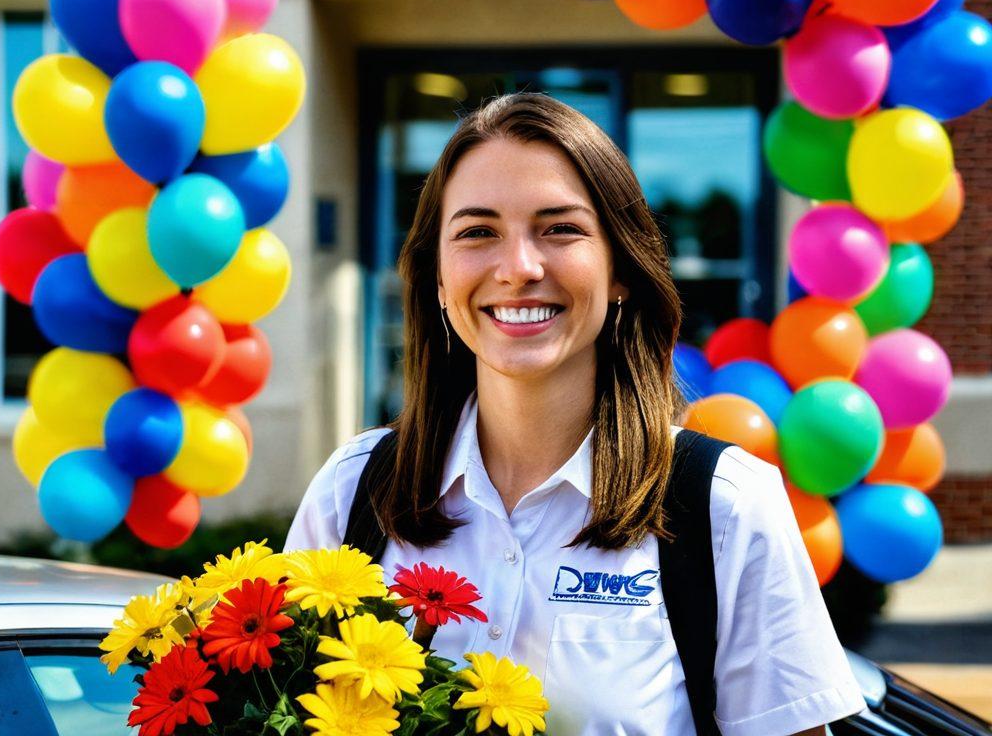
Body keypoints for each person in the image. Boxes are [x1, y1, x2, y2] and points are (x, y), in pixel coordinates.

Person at [285, 92, 865, 736]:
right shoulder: (353, 490)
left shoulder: (723, 504)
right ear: (438, 281)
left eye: (560, 228)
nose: (519, 268)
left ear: (619, 269)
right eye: (478, 232)